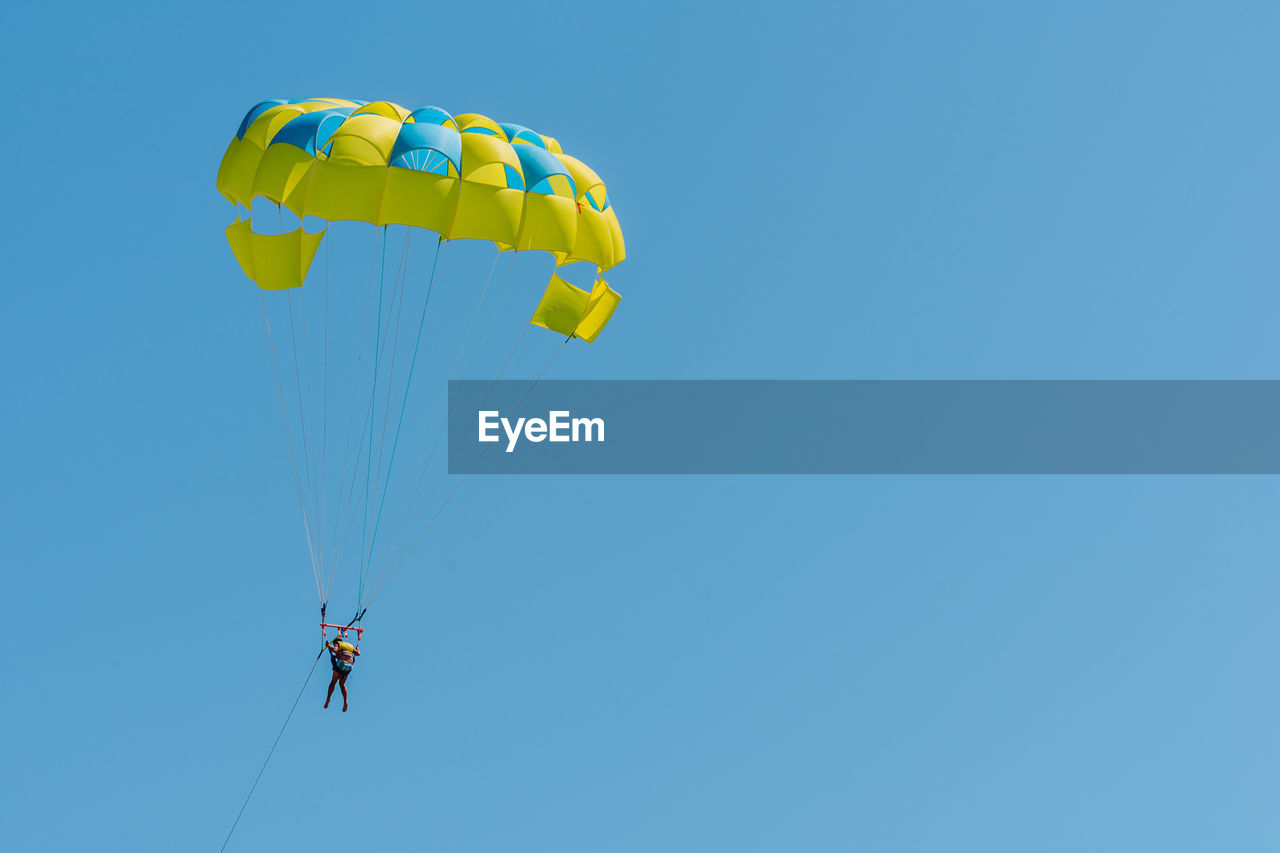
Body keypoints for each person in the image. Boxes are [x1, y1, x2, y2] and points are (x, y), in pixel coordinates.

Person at [324, 634, 361, 712]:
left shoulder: (337, 644)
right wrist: (358, 649)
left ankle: (328, 699)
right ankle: (345, 701)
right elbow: (358, 653)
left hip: (341, 665)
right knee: (342, 684)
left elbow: (334, 650)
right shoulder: (350, 645)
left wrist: (329, 646)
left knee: (333, 682)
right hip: (349, 667)